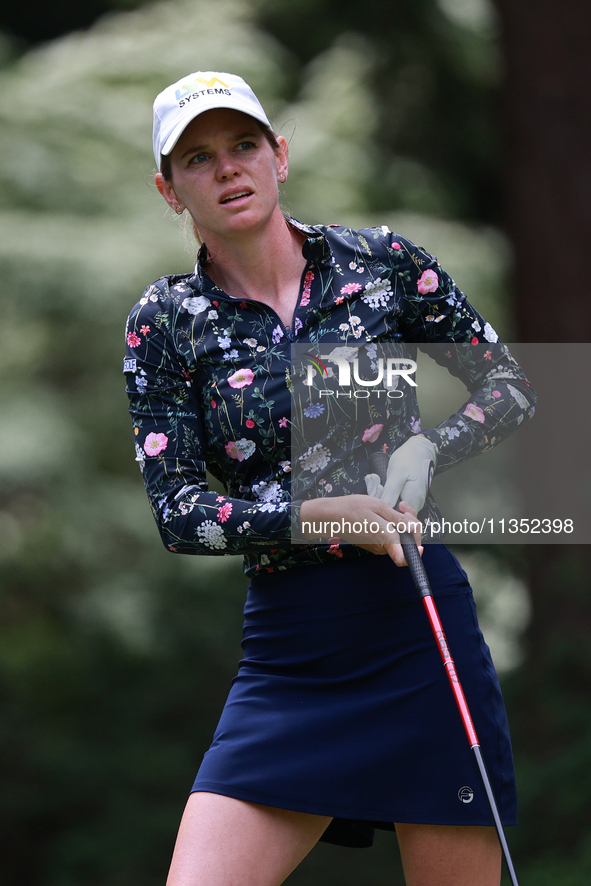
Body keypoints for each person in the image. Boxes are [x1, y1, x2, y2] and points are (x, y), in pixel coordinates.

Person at [124, 70, 536, 886]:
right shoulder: (166, 320)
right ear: (170, 190)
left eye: (243, 145)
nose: (228, 169)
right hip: (291, 652)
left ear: (279, 154)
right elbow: (178, 511)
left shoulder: (379, 264)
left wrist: (432, 448)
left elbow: (511, 386)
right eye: (198, 159)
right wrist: (323, 513)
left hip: (416, 624)